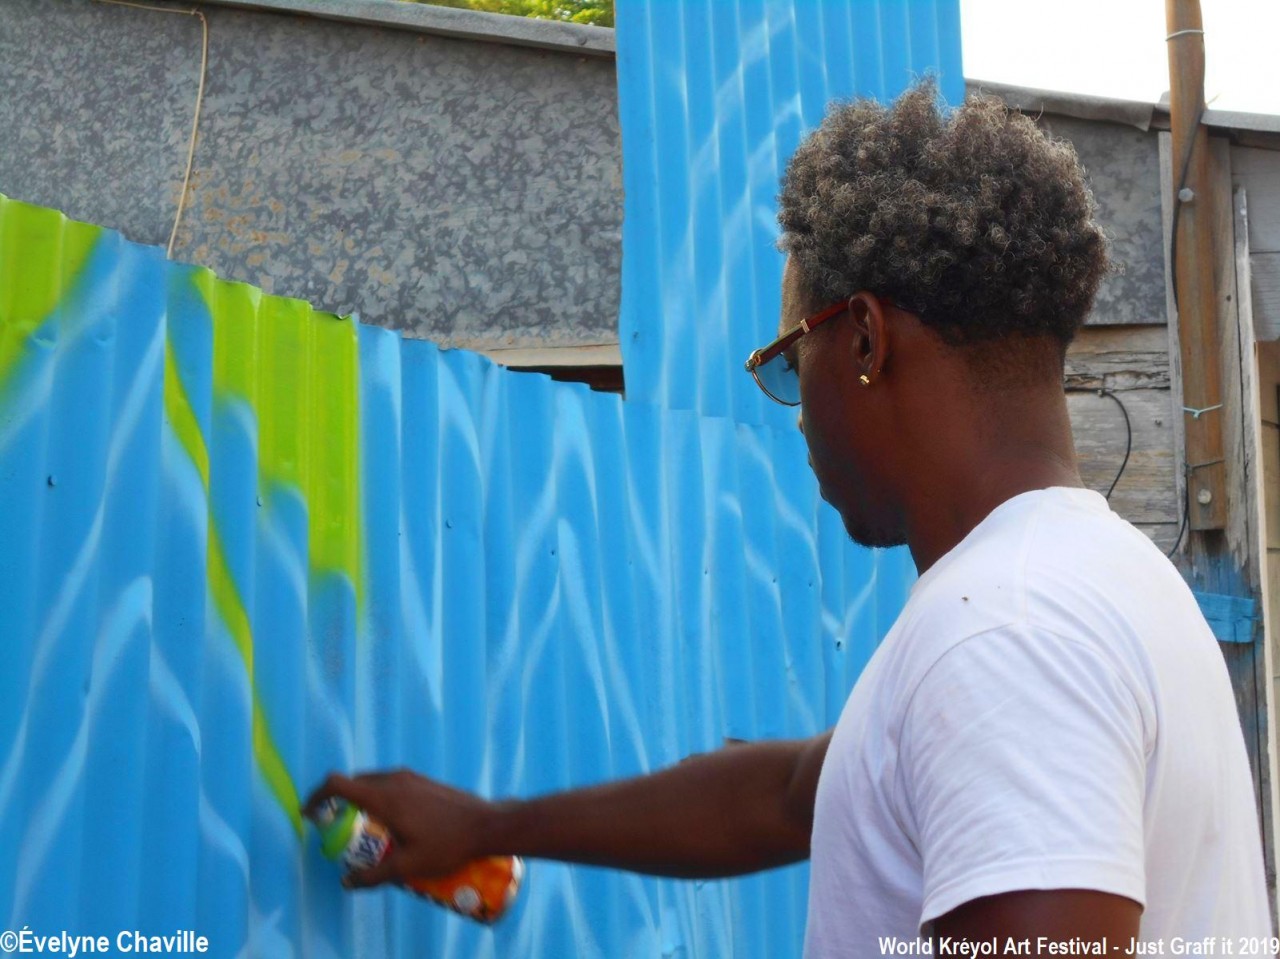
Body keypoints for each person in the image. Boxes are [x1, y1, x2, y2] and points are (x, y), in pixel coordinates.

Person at [306, 80, 1273, 955]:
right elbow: (792, 794)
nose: (796, 411)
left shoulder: (1001, 633)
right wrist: (490, 826)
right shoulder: (1112, 579)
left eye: (786, 361)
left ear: (864, 340)